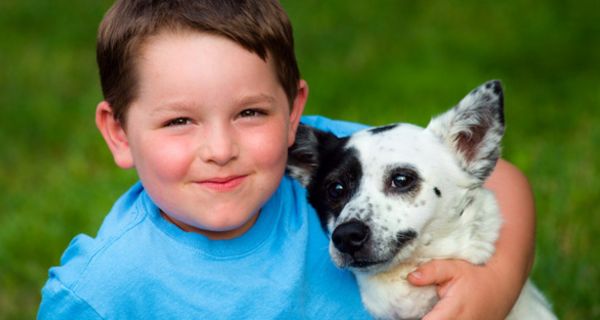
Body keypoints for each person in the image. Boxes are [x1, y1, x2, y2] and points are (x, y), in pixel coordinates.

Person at [38, 0, 535, 319]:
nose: (221, 149)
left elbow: (498, 175)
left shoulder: (325, 159)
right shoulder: (100, 292)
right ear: (119, 133)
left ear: (292, 115)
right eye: (179, 121)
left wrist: (496, 284)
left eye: (250, 112)